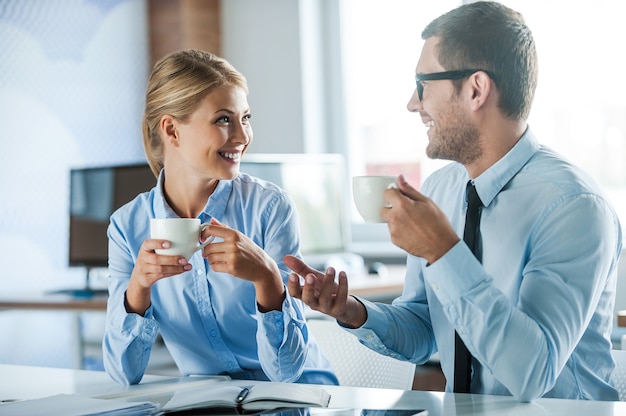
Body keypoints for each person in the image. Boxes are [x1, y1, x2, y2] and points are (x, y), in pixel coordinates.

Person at [285, 1, 622, 402]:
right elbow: (426, 329)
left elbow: (533, 374)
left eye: (423, 83)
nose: (413, 102)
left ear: (476, 89)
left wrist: (443, 251)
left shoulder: (573, 206)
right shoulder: (442, 190)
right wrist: (352, 311)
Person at [102, 49, 338, 386]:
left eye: (246, 118)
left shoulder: (269, 208)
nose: (243, 137)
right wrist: (137, 289)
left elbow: (287, 372)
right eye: (224, 119)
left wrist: (268, 279)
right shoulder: (127, 228)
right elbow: (122, 375)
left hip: (293, 399)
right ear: (171, 130)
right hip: (210, 403)